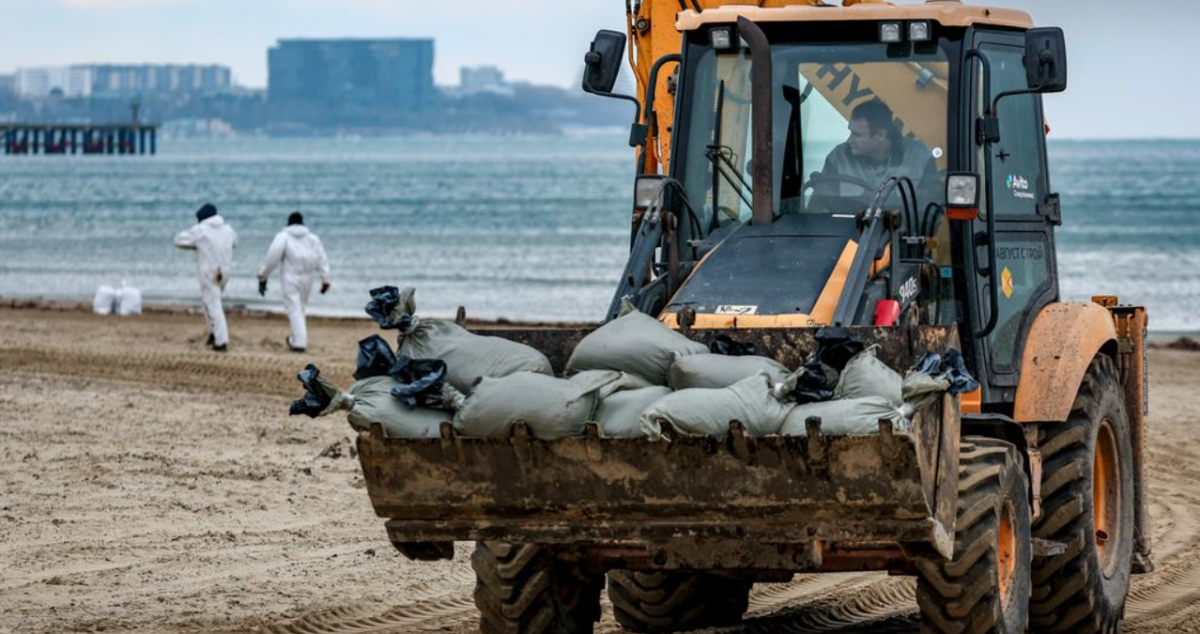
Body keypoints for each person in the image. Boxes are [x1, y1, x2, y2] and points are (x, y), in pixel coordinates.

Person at [815, 99, 940, 210]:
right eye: (850, 132)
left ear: (881, 135)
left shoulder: (920, 158)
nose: (849, 140)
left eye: (857, 135)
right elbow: (819, 208)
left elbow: (932, 211)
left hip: (902, 235)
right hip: (852, 235)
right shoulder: (837, 158)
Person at [257, 212, 331, 353]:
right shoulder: (313, 239)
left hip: (290, 277)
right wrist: (325, 279)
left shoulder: (283, 237)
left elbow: (272, 258)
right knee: (300, 309)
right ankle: (295, 339)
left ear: (289, 223)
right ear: (302, 222)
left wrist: (263, 275)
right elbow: (322, 259)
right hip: (308, 279)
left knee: (293, 309)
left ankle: (299, 343)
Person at [174, 203, 238, 352]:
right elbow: (235, 243)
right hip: (225, 272)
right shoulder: (228, 229)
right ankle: (213, 332)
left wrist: (194, 245)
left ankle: (221, 341)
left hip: (209, 272)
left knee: (213, 304)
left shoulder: (200, 230)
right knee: (210, 303)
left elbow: (178, 240)